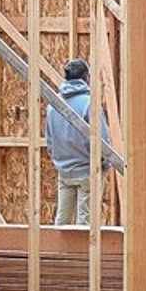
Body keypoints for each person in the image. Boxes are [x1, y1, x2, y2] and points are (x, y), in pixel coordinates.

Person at [44, 58, 95, 225]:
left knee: (62, 220)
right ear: (86, 77)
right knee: (85, 222)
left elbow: (50, 142)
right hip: (88, 171)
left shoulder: (53, 105)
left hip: (65, 172)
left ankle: (55, 251)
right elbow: (103, 141)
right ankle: (84, 252)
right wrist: (102, 163)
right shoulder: (89, 104)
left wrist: (60, 162)